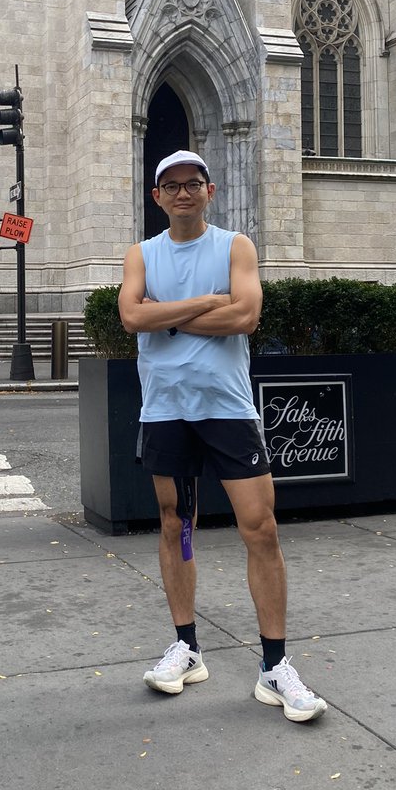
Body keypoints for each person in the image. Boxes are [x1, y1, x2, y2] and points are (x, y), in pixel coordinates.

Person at [118, 150, 326, 723]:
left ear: (210, 191)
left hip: (227, 410)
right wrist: (209, 302)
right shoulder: (142, 254)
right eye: (171, 186)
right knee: (174, 524)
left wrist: (169, 315)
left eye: (193, 184)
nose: (182, 193)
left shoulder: (236, 247)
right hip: (165, 410)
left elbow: (244, 317)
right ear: (157, 196)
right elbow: (131, 318)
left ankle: (274, 668)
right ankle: (186, 648)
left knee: (260, 527)